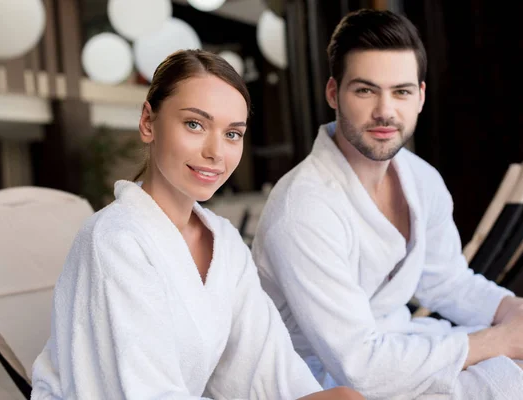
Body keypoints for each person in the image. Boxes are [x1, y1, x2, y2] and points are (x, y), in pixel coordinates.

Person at [252, 9, 523, 400]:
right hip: (330, 379)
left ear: (421, 96)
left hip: (408, 345)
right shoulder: (303, 208)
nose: (385, 111)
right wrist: (502, 341)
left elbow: (447, 282)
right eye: (365, 90)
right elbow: (360, 368)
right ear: (332, 93)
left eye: (401, 91)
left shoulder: (419, 177)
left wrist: (515, 311)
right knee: (522, 387)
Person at [31, 49, 363, 400]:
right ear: (148, 122)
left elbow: (267, 368)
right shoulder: (114, 239)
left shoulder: (225, 242)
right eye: (195, 124)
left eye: (232, 134)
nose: (216, 152)